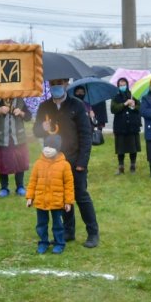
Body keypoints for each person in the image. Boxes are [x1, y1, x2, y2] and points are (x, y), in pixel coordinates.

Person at [33, 78, 99, 248]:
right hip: (53, 161)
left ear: (66, 84)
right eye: (53, 83)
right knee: (62, 197)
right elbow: (36, 131)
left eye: (60, 83)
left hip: (75, 159)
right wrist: (42, 128)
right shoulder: (44, 106)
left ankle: (93, 233)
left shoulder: (77, 105)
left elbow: (85, 135)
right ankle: (68, 231)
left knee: (80, 195)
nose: (56, 86)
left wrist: (82, 161)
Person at [25, 135, 74, 255]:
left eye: (51, 146)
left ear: (57, 148)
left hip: (57, 201)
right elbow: (32, 181)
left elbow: (69, 185)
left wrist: (68, 201)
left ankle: (59, 243)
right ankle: (43, 242)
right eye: (46, 146)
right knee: (41, 224)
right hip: (41, 200)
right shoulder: (38, 164)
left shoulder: (65, 165)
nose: (48, 149)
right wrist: (30, 197)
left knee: (58, 224)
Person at [0, 96, 32, 197]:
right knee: (2, 164)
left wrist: (21, 113)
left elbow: (28, 117)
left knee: (19, 163)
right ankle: (4, 188)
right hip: (1, 139)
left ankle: (20, 187)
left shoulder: (20, 101)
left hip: (18, 138)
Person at [110, 77, 142, 173]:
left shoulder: (133, 94)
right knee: (120, 147)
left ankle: (133, 165)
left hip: (132, 125)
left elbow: (139, 107)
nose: (122, 86)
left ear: (127, 85)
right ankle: (121, 166)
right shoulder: (115, 96)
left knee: (133, 147)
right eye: (121, 85)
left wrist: (133, 106)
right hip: (120, 125)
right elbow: (113, 109)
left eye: (124, 85)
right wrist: (124, 104)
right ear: (118, 86)